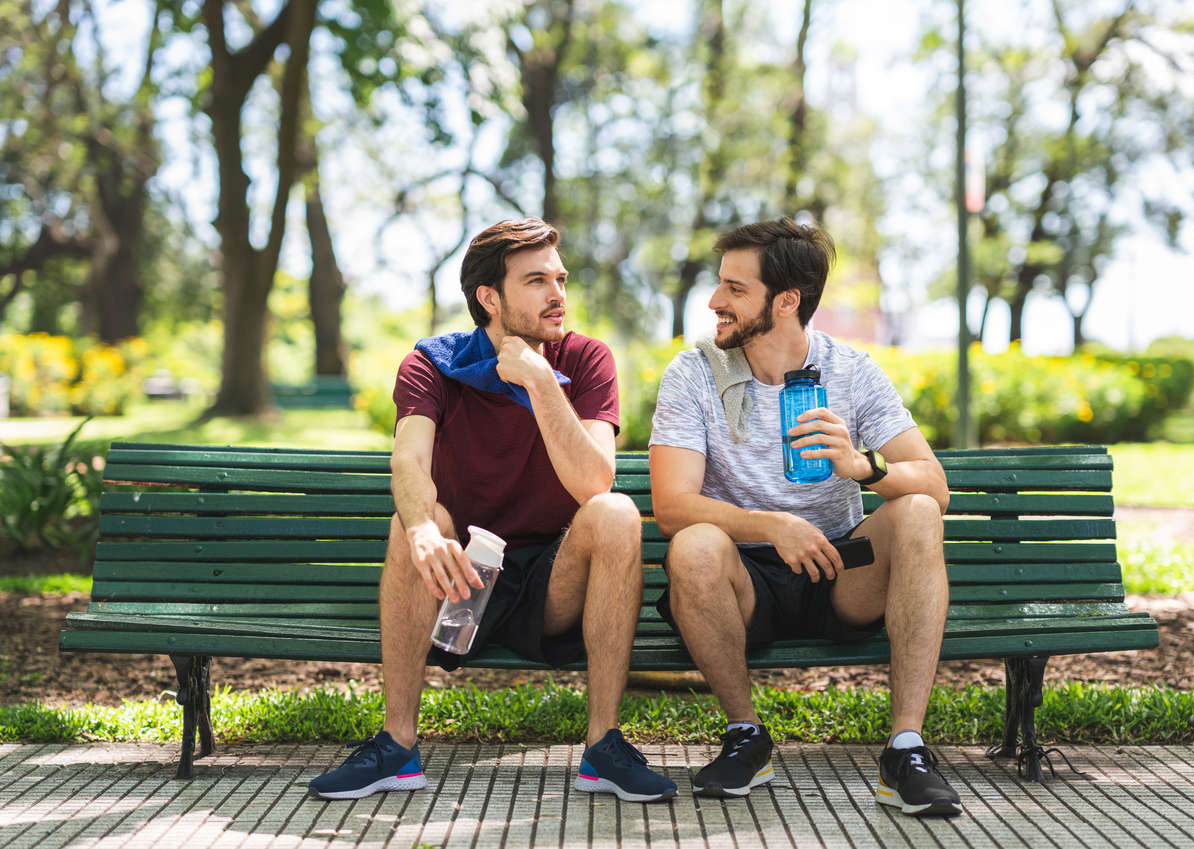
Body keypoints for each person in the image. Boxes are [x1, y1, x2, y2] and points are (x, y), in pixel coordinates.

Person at [310, 218, 676, 803]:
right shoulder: (433, 364)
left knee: (615, 512)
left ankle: (604, 745)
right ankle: (396, 745)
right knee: (412, 521)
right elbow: (409, 460)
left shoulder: (585, 362)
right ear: (490, 298)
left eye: (560, 278)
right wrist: (424, 530)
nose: (558, 294)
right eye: (536, 281)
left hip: (552, 585)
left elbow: (593, 481)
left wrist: (539, 382)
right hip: (459, 582)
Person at [648, 217, 961, 816]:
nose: (715, 301)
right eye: (721, 285)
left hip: (838, 570)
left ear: (786, 300)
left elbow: (934, 485)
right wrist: (772, 525)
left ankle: (906, 749)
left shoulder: (852, 371)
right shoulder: (693, 373)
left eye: (736, 289)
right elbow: (673, 506)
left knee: (917, 511)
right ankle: (746, 735)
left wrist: (863, 466)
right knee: (693, 545)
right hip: (743, 580)